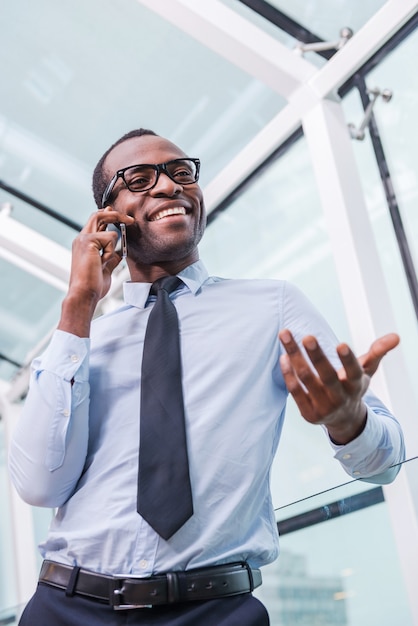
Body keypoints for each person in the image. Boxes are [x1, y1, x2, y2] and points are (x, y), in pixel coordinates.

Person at [9, 128, 405, 626]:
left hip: (213, 612)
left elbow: (384, 463)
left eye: (181, 173)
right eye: (139, 178)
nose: (169, 186)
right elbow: (38, 485)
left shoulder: (272, 305)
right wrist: (78, 306)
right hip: (65, 607)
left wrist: (349, 419)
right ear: (107, 217)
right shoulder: (81, 338)